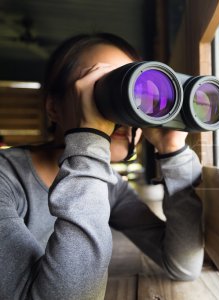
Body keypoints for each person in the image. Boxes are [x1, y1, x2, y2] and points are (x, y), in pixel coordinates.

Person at [0, 33, 204, 299]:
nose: (120, 108)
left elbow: (183, 264)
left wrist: (172, 151)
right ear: (54, 108)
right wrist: (89, 141)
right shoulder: (7, 180)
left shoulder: (108, 188)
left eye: (135, 90)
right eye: (101, 87)